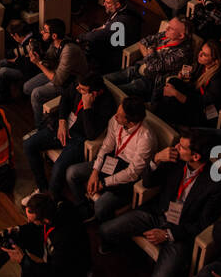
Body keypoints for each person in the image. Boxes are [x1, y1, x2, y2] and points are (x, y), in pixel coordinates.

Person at [97, 128, 221, 277]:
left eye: (182, 146)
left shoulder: (216, 183)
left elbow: (202, 224)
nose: (176, 147)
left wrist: (167, 235)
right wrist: (156, 159)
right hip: (157, 213)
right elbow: (149, 182)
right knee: (105, 230)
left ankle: (177, 267)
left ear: (195, 156)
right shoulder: (175, 158)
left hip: (179, 232)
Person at [22, 73, 115, 200]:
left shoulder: (107, 104)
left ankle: (52, 199)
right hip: (64, 126)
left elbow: (91, 135)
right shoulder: (79, 84)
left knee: (58, 168)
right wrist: (62, 121)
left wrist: (87, 107)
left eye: (82, 90)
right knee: (29, 144)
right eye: (78, 86)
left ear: (94, 94)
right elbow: (65, 97)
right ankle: (42, 190)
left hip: (80, 139)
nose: (77, 89)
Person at [65, 96, 155, 224]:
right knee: (71, 173)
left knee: (101, 206)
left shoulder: (146, 138)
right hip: (113, 161)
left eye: (119, 115)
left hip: (127, 177)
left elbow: (132, 173)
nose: (115, 116)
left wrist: (103, 183)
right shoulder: (115, 120)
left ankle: (105, 219)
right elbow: (106, 146)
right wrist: (95, 172)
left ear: (130, 122)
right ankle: (84, 207)